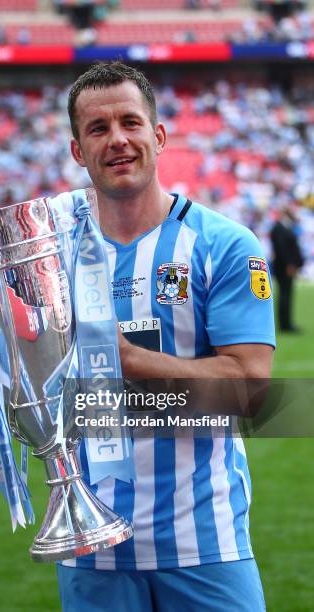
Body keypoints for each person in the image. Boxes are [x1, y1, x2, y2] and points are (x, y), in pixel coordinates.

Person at [56, 61, 275, 611]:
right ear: (78, 150)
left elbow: (253, 388)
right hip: (91, 546)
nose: (118, 140)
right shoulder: (52, 256)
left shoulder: (225, 244)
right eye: (98, 129)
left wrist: (123, 359)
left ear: (158, 136)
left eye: (130, 122)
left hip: (205, 539)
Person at [270, 207, 304, 332]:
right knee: (285, 294)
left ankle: (286, 323)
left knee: (286, 294)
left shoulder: (282, 227)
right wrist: (290, 264)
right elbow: (282, 249)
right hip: (283, 267)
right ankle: (285, 324)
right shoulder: (279, 228)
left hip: (284, 266)